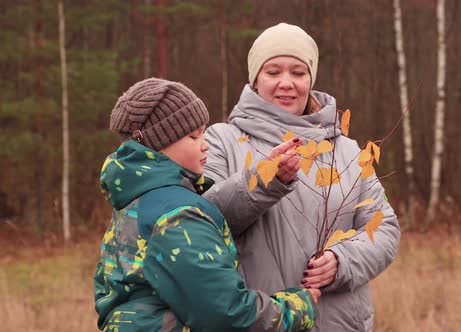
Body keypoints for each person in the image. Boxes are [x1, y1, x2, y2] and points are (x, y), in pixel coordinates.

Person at [203, 23, 401, 331]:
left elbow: (384, 229)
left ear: (310, 78)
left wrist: (342, 262)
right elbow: (204, 220)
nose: (286, 83)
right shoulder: (222, 140)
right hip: (259, 321)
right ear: (255, 78)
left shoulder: (347, 150)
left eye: (298, 72)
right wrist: (265, 179)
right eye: (273, 72)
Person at [94, 77, 319, 332]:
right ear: (159, 145)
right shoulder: (178, 216)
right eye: (193, 136)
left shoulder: (136, 203)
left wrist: (266, 173)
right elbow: (227, 314)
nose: (205, 144)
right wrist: (299, 307)